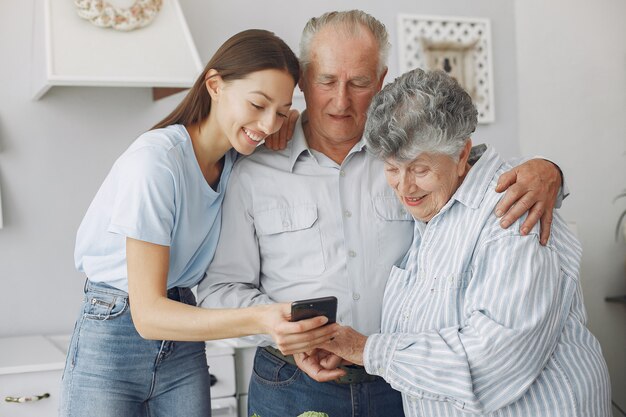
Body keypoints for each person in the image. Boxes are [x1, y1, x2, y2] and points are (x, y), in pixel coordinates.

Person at [198, 11, 565, 417]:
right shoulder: (252, 168)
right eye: (326, 81)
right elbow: (220, 290)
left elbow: (478, 174)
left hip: (404, 382)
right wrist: (283, 328)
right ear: (302, 78)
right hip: (293, 383)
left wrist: (550, 171)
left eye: (359, 83)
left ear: (381, 79)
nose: (341, 101)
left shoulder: (408, 155)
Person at [59, 29, 338, 417]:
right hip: (115, 330)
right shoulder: (156, 164)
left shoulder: (235, 161)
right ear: (214, 85)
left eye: (280, 110)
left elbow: (282, 121)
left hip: (184, 333)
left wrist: (289, 120)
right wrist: (264, 318)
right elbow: (149, 315)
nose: (269, 123)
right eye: (258, 104)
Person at [315, 68, 612, 417]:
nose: (404, 187)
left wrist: (367, 350)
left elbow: (497, 361)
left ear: (461, 156)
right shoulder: (431, 211)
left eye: (420, 169)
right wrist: (354, 350)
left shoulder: (513, 210)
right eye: (392, 169)